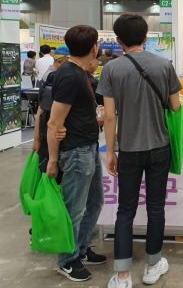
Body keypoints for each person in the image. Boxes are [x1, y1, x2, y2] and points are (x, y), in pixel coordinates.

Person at [97, 14, 182, 288]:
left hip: (129, 149)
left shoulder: (111, 69)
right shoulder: (164, 65)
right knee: (156, 208)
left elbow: (109, 116)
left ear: (118, 40)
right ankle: (153, 266)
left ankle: (123, 275)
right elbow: (175, 106)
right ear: (146, 37)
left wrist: (111, 152)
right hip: (159, 147)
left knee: (125, 210)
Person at [46, 26, 106, 282]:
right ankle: (67, 260)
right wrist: (53, 160)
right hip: (76, 151)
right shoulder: (70, 76)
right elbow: (54, 122)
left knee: (94, 202)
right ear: (94, 47)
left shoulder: (80, 73)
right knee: (75, 208)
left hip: (88, 146)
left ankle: (81, 249)